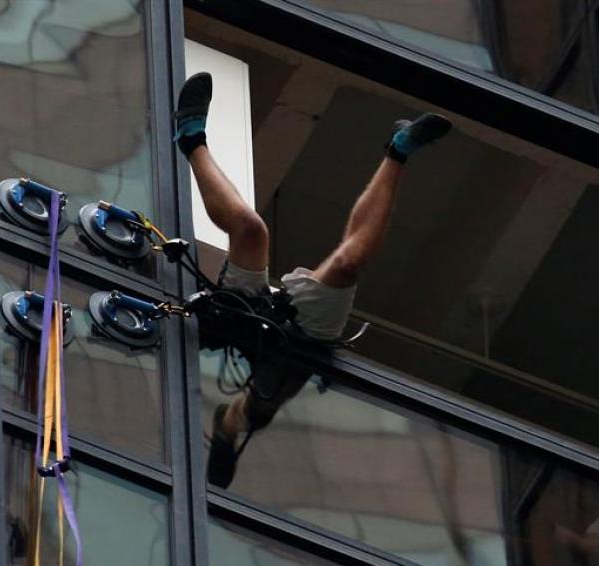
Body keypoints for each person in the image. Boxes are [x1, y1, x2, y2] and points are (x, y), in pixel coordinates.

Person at [173, 72, 452, 487]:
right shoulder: (270, 393)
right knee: (322, 254)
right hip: (298, 336)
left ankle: (399, 148)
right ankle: (192, 139)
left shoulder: (265, 396)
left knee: (268, 239)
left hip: (268, 333)